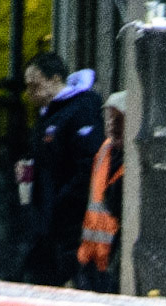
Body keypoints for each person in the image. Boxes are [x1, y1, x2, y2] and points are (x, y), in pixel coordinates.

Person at [16, 52, 104, 287]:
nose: (30, 93)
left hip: (70, 224)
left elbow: (88, 164)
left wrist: (62, 204)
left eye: (35, 85)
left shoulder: (82, 108)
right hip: (49, 222)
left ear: (55, 79)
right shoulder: (47, 116)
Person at [75, 91, 125, 293]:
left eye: (119, 118)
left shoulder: (136, 159)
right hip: (91, 261)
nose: (112, 124)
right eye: (110, 117)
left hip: (113, 264)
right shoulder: (104, 150)